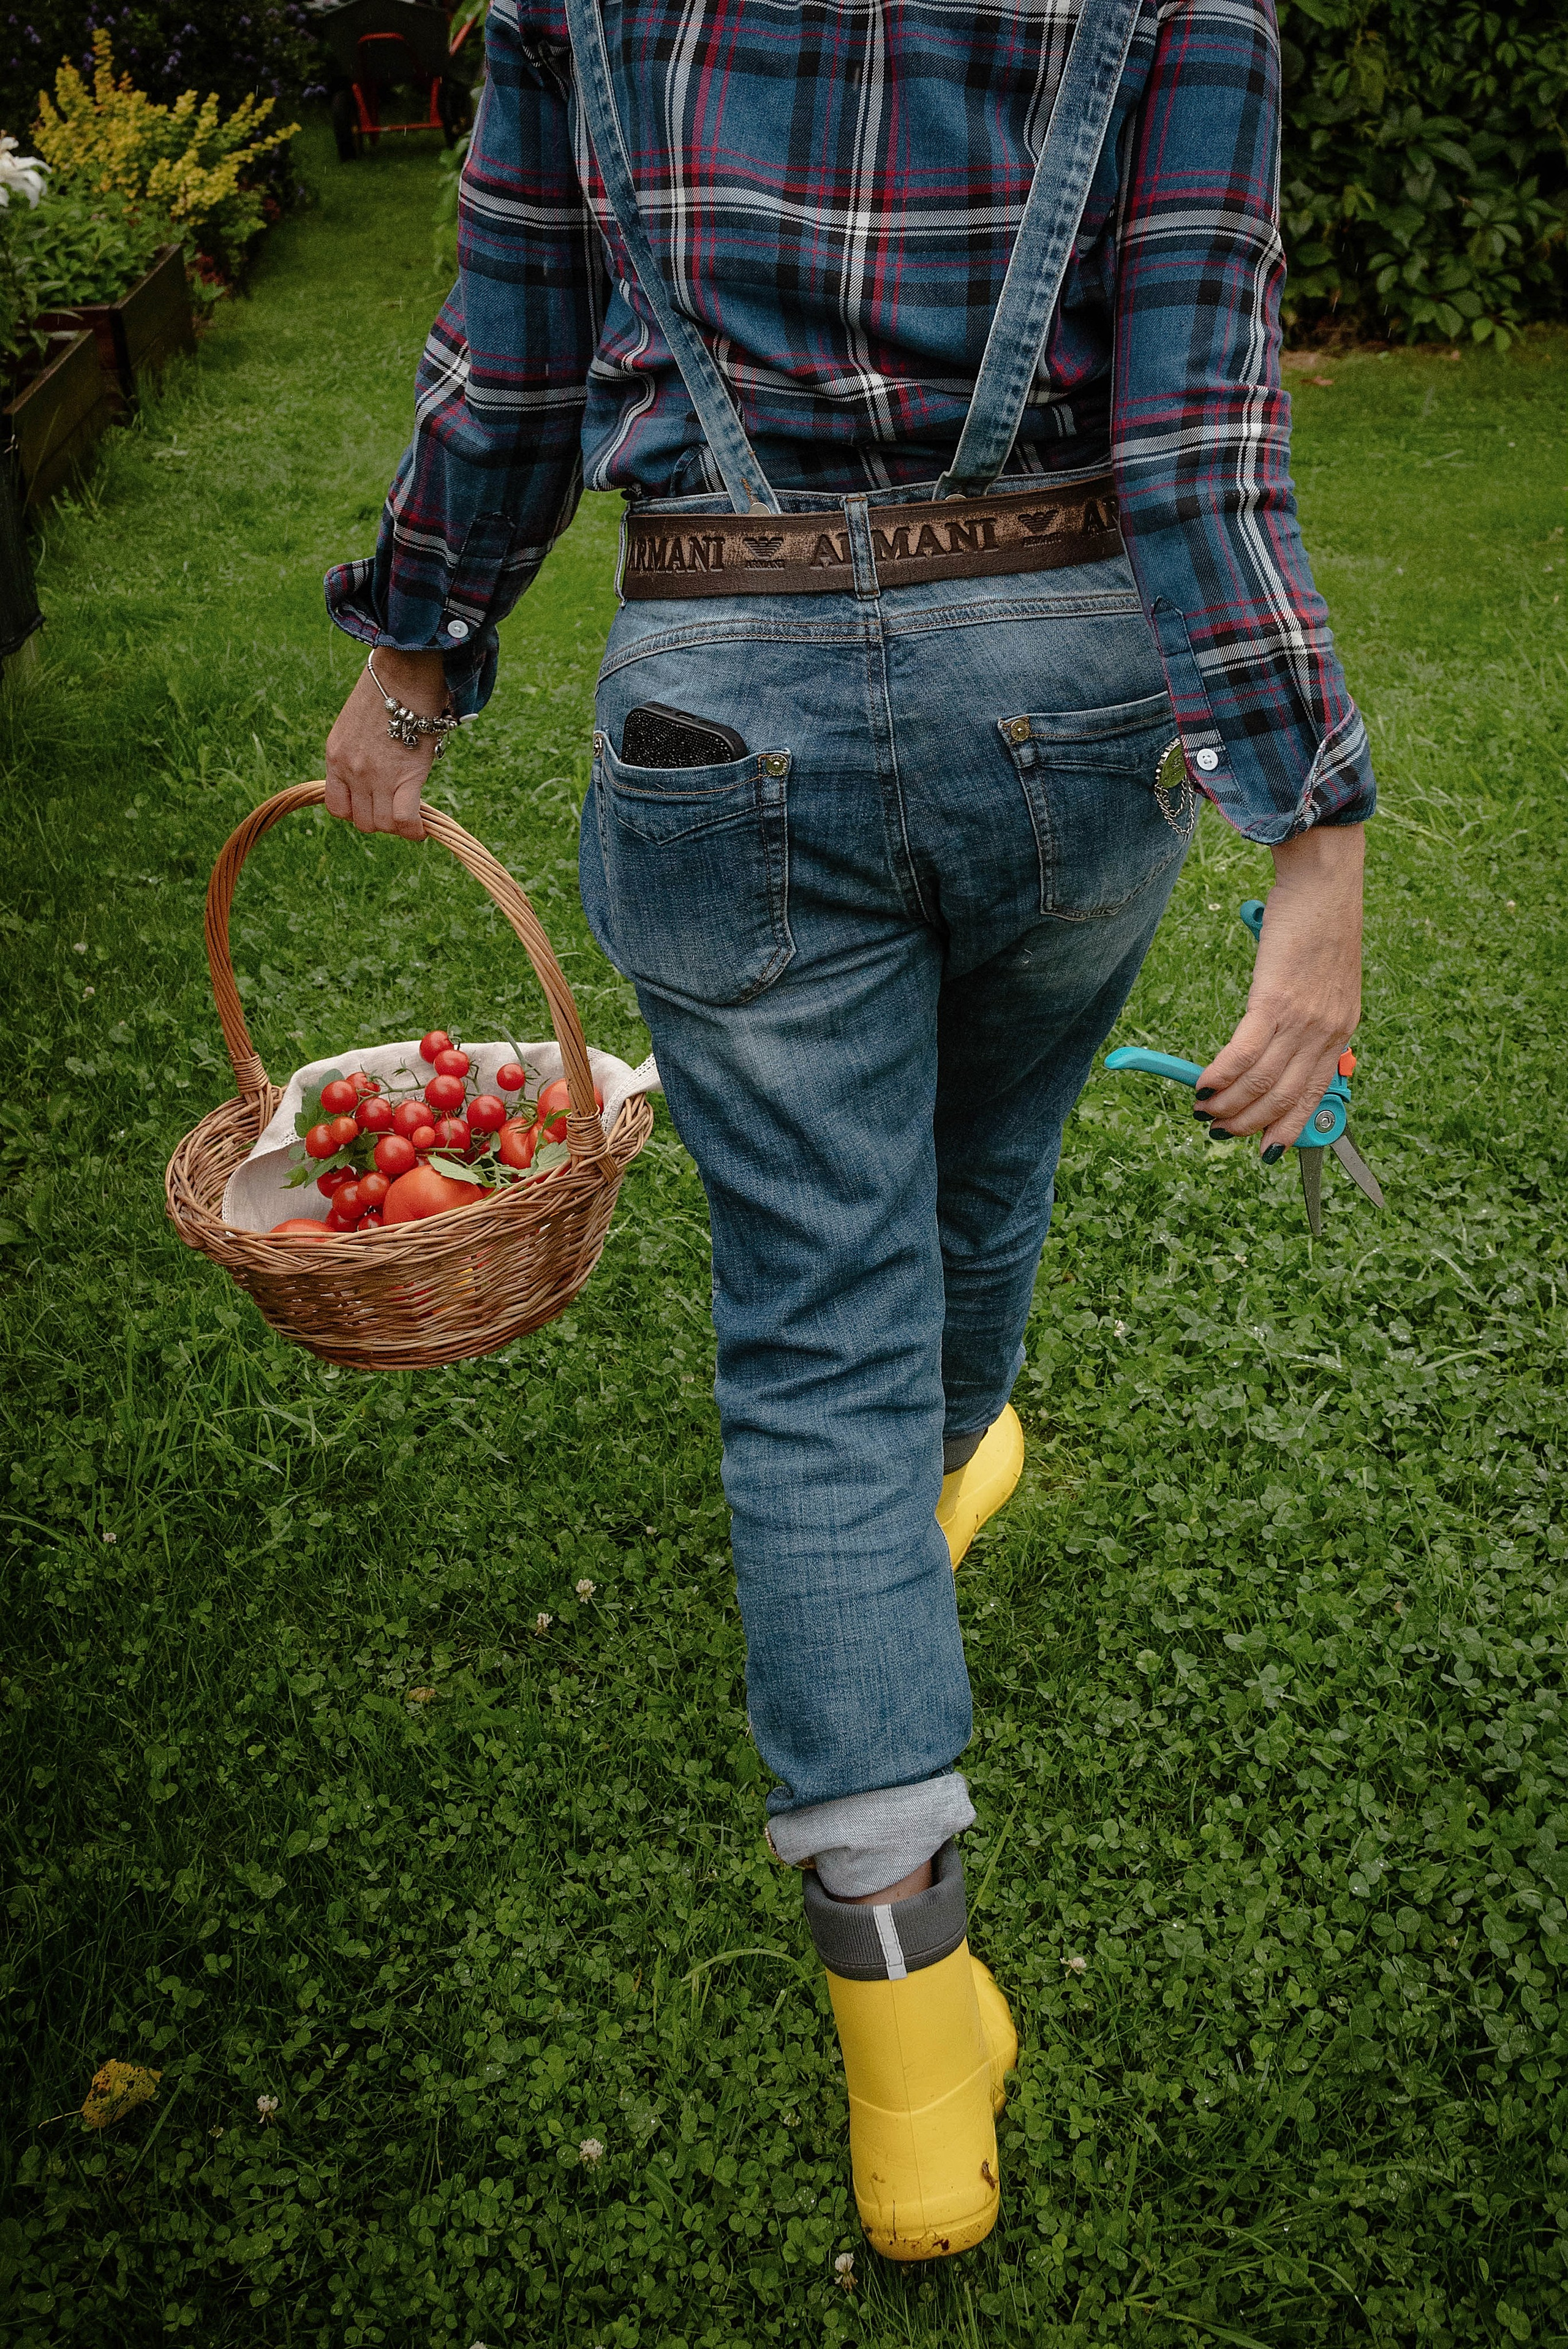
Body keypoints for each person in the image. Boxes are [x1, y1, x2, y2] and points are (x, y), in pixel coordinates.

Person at [322, 0, 1370, 2261]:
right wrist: (1319, 843)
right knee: (990, 1164)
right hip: (1067, 709)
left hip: (724, 697)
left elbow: (506, 374)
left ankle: (913, 2076)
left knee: (813, 1338)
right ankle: (949, 1453)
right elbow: (1202, 442)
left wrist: (417, 651)